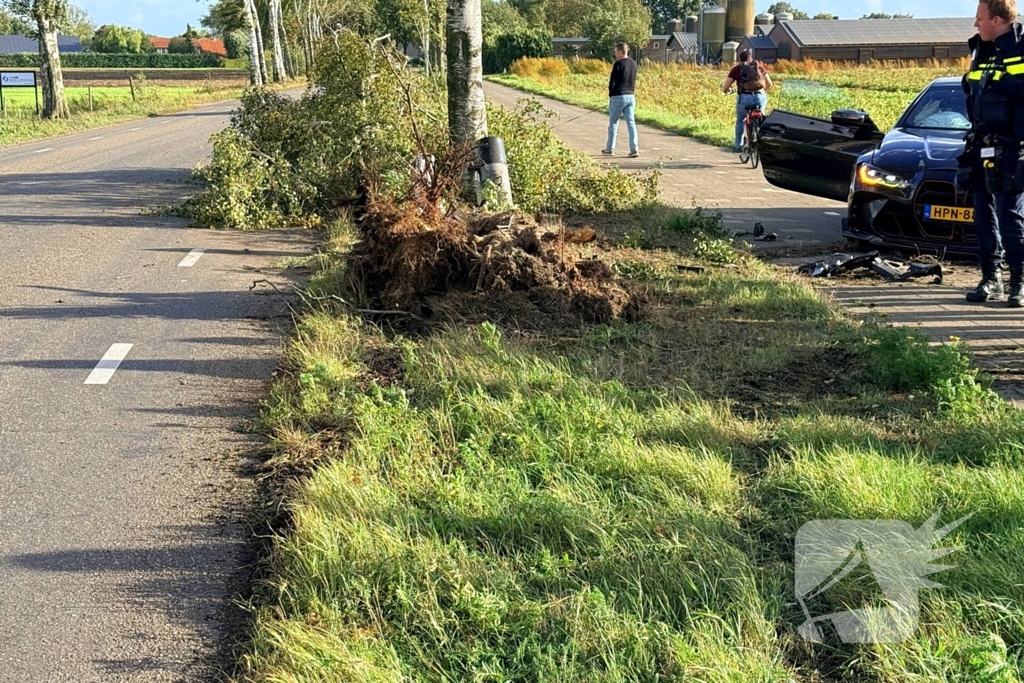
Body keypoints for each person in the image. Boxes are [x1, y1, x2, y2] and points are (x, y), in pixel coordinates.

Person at [959, 0, 1024, 307]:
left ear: (997, 20)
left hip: (1012, 145)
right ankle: (991, 278)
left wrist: (999, 80)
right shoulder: (980, 49)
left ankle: (1018, 282)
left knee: (1009, 216)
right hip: (980, 142)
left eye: (979, 18)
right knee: (982, 213)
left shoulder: (1020, 48)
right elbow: (971, 91)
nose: (976, 24)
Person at [722, 50, 772, 154]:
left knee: (741, 120)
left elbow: (726, 87)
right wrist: (761, 91)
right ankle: (761, 144)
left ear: (740, 59)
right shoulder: (759, 66)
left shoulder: (736, 69)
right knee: (760, 119)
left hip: (745, 97)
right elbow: (770, 84)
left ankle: (738, 146)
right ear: (751, 58)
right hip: (760, 96)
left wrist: (727, 90)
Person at [602, 42, 639, 158]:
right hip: (631, 96)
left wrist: (611, 94)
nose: (615, 54)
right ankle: (634, 148)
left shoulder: (618, 64)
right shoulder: (634, 64)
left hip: (618, 96)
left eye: (616, 52)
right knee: (631, 123)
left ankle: (610, 148)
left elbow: (612, 82)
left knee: (613, 123)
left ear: (621, 52)